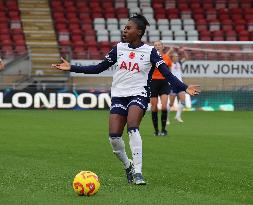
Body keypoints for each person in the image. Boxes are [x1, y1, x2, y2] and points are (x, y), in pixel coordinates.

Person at [52, 14, 200, 185]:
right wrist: (72, 67)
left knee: (132, 127)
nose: (124, 30)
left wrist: (185, 87)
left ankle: (138, 172)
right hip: (119, 95)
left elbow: (167, 74)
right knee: (114, 138)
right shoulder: (119, 48)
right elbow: (98, 68)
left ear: (138, 32)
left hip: (139, 93)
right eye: (125, 27)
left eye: (129, 28)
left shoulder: (150, 52)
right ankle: (128, 165)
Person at [150, 41, 172, 136]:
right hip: (153, 82)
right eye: (155, 45)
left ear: (163, 47)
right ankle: (156, 130)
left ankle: (163, 130)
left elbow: (169, 71)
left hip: (164, 82)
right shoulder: (151, 58)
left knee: (164, 106)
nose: (157, 46)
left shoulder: (167, 58)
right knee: (154, 107)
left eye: (159, 45)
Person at [168, 47, 188, 123]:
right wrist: (170, 51)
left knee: (183, 100)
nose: (176, 57)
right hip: (173, 85)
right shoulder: (169, 64)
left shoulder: (179, 63)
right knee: (171, 103)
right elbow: (165, 57)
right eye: (175, 56)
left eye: (177, 56)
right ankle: (166, 118)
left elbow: (186, 58)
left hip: (180, 84)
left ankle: (177, 116)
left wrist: (183, 51)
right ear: (172, 57)